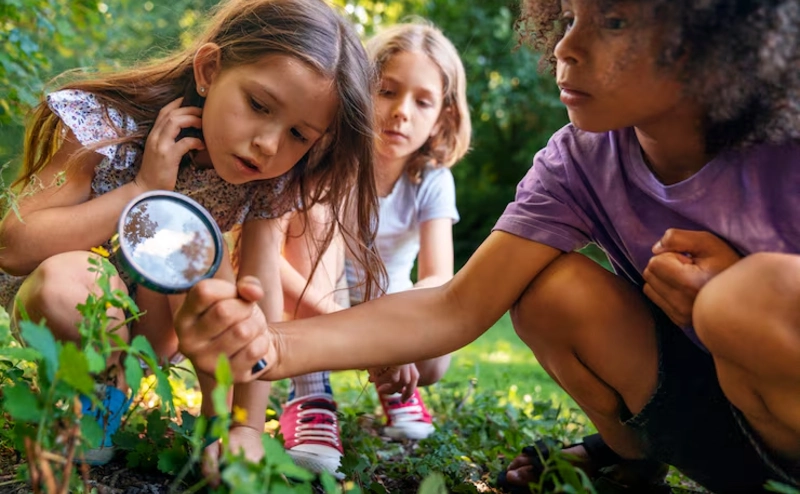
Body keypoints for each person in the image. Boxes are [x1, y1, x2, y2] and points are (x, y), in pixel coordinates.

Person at [174, 0, 800, 492]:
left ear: (714, 40)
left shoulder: (784, 144)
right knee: (551, 292)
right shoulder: (579, 161)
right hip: (712, 430)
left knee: (744, 298)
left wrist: (739, 293)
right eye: (570, 16)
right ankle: (631, 460)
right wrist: (263, 343)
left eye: (613, 21)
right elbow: (454, 305)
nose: (566, 46)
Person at [0, 0, 383, 469]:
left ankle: (218, 426)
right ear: (209, 69)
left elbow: (256, 306)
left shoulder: (267, 182)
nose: (268, 143)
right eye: (258, 105)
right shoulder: (105, 125)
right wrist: (141, 190)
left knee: (200, 250)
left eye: (298, 135)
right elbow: (13, 246)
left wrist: (246, 425)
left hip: (158, 327)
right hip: (65, 299)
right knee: (75, 277)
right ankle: (99, 388)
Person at [274, 22, 471, 477]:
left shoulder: (432, 179)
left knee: (436, 357)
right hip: (314, 299)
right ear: (361, 90)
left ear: (442, 117)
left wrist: (397, 341)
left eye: (422, 102)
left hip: (388, 306)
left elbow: (439, 276)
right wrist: (369, 346)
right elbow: (277, 267)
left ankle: (395, 385)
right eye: (387, 91)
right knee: (314, 227)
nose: (401, 112)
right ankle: (310, 392)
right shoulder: (327, 159)